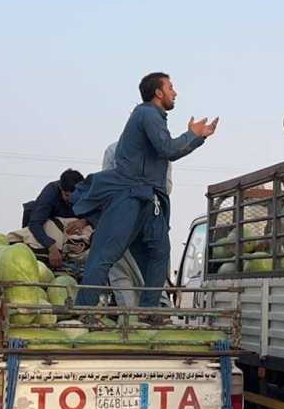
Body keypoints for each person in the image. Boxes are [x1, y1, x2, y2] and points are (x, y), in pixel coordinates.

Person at [72, 72, 218, 311]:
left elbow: (167, 151)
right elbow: (167, 148)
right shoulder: (147, 113)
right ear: (158, 92)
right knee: (107, 253)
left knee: (160, 252)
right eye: (171, 87)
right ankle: (83, 311)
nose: (175, 92)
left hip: (149, 198)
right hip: (129, 195)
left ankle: (150, 310)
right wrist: (194, 134)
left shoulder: (155, 117)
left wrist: (197, 137)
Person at [101, 141, 172, 308]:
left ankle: (135, 318)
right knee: (150, 269)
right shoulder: (163, 151)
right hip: (145, 219)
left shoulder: (114, 149)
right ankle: (150, 312)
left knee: (124, 272)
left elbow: (107, 186)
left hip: (126, 221)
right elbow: (166, 188)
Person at [27, 169, 86, 268]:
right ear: (60, 187)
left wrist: (84, 221)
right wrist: (52, 248)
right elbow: (35, 223)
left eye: (75, 196)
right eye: (67, 195)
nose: (71, 200)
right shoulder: (50, 193)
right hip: (49, 236)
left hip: (75, 240)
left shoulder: (87, 192)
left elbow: (101, 213)